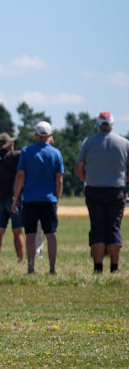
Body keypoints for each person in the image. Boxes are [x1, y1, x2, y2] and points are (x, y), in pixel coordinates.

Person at [74, 111, 129, 274]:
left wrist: (88, 179)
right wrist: (122, 180)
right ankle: (114, 268)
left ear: (98, 124)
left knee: (97, 227)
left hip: (94, 189)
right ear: (112, 124)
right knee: (114, 228)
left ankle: (98, 268)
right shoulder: (124, 143)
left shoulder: (88, 142)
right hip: (116, 189)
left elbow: (78, 168)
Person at [12, 121, 64, 275]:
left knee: (30, 235)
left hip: (30, 199)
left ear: (35, 134)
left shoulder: (26, 151)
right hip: (49, 199)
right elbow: (59, 180)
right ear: (49, 135)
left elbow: (20, 176)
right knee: (51, 235)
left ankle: (30, 269)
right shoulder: (56, 153)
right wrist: (57, 199)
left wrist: (16, 197)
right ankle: (52, 269)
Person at [0, 132, 25, 263]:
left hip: (0, 199)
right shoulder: (14, 156)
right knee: (17, 231)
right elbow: (26, 153)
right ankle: (20, 260)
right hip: (14, 200)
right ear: (7, 145)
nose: (13, 144)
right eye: (11, 142)